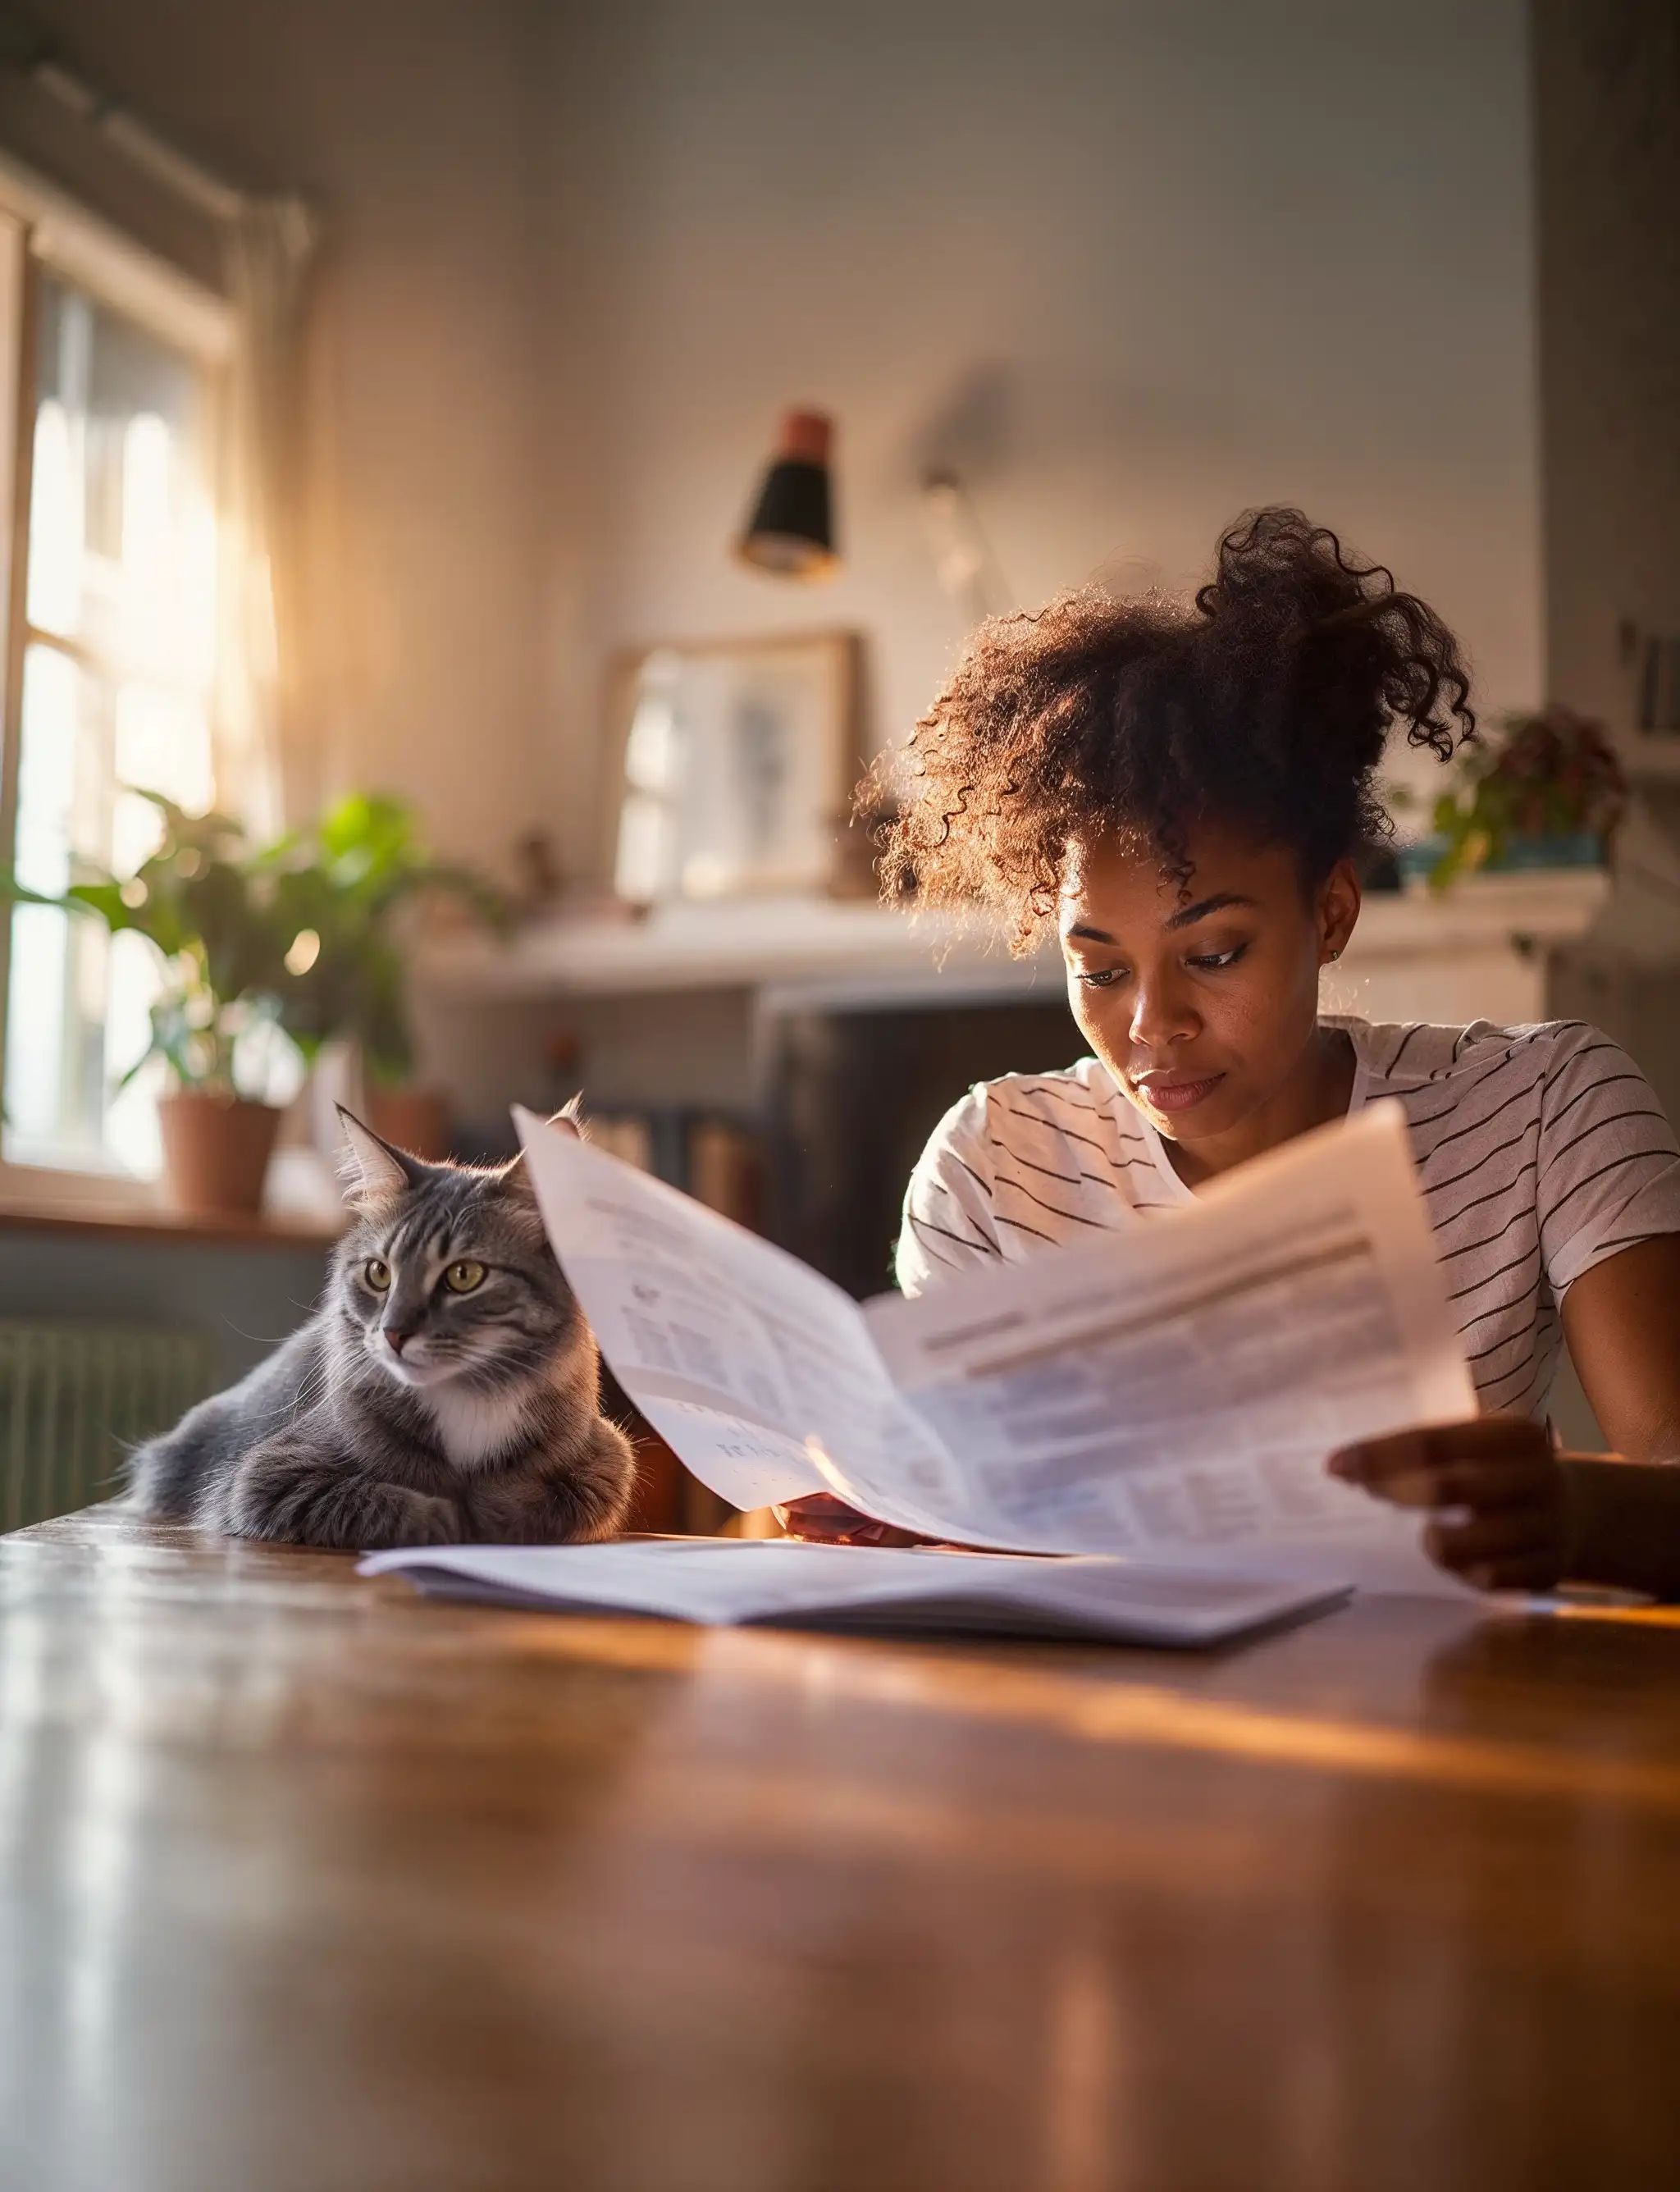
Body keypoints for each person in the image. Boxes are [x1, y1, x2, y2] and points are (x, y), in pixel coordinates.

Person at [780, 508, 1680, 1596]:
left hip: (1451, 1711)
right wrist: (905, 1515)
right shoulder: (994, 1165)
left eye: (1213, 954)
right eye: (1101, 970)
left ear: (1332, 912)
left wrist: (1575, 1509)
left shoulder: (1546, 1107)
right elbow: (990, 1539)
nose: (1151, 1029)